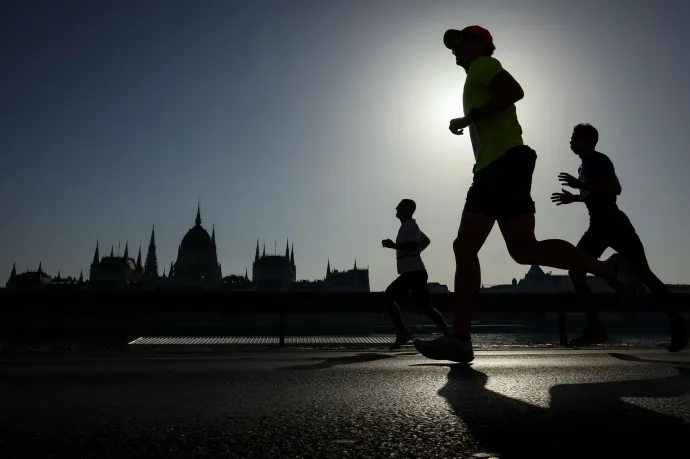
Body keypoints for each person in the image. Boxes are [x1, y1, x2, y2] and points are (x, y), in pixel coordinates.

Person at [413, 26, 632, 363]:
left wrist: (469, 117)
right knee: (524, 249)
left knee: (465, 245)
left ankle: (460, 336)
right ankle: (608, 271)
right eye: (451, 46)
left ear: (479, 44)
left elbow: (514, 91)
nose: (454, 51)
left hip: (499, 165)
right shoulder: (476, 73)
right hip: (510, 162)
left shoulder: (483, 66)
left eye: (459, 43)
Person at [551, 123, 688, 351]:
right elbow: (594, 193)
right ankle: (596, 328)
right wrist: (574, 198)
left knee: (644, 273)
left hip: (615, 224)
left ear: (587, 140)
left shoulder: (599, 160)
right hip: (598, 227)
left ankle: (678, 322)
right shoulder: (584, 166)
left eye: (574, 137)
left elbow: (615, 189)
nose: (570, 141)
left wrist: (581, 185)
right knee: (576, 271)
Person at [382, 199, 452, 349]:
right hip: (412, 271)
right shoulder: (409, 226)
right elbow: (426, 241)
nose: (396, 208)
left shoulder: (411, 226)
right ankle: (447, 332)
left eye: (399, 206)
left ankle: (403, 332)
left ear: (407, 210)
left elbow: (413, 245)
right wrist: (417, 251)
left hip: (413, 272)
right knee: (426, 306)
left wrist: (393, 245)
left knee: (390, 296)